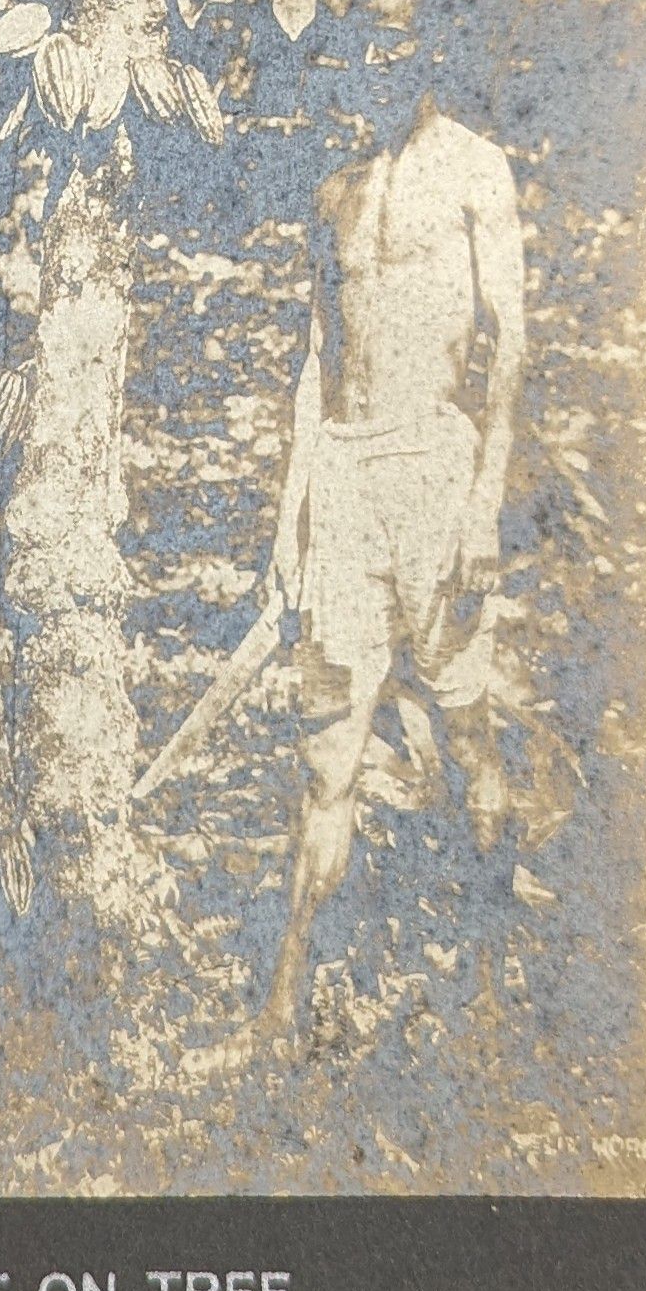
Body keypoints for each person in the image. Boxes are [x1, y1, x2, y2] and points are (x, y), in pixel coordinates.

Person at [254, 85, 528, 1049]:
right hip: (345, 473)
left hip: (435, 470)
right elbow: (315, 358)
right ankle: (282, 1003)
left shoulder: (475, 169)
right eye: (363, 25)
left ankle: (491, 979)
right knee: (327, 749)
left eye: (397, 24)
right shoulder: (335, 183)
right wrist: (292, 517)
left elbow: (510, 348)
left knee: (466, 723)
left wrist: (484, 506)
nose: (379, 45)